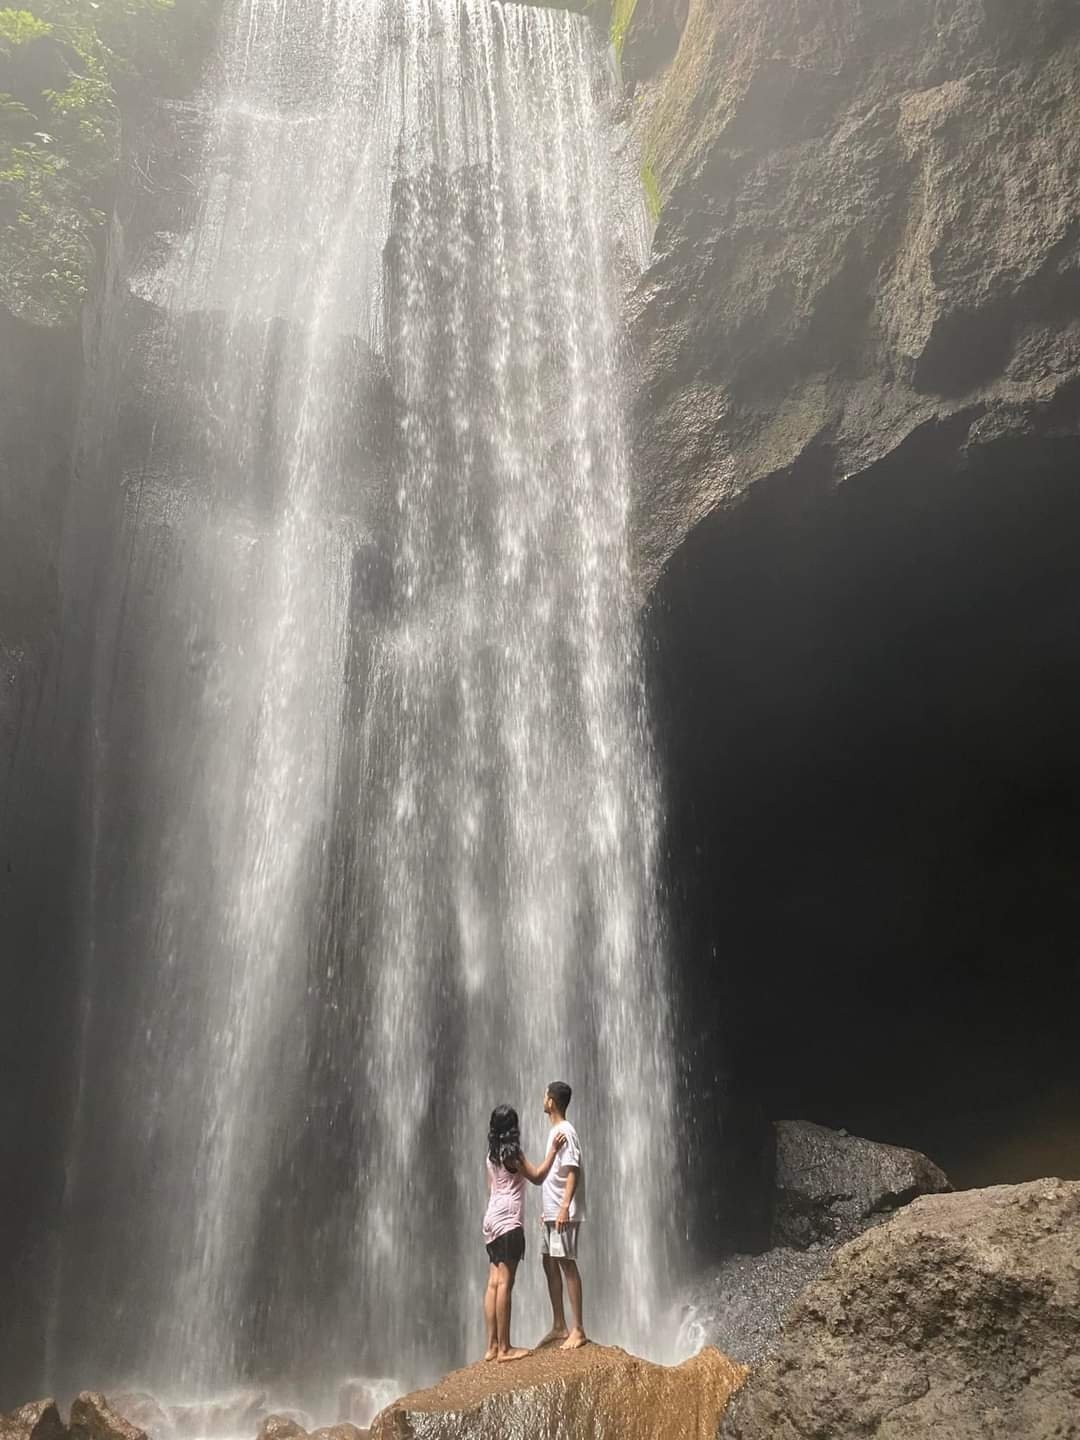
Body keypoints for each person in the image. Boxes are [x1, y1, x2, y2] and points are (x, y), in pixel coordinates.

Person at [483, 1103, 566, 1363]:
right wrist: (553, 1151)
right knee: (506, 1283)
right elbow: (538, 1176)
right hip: (509, 1222)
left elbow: (493, 1187)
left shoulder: (491, 1155)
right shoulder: (514, 1155)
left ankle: (492, 1347)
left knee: (493, 1282)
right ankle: (506, 1349)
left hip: (491, 1219)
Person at [538, 1080, 587, 1350]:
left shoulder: (565, 1132)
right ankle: (559, 1324)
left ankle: (578, 1329)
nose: (542, 1099)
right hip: (551, 1210)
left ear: (551, 1102)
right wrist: (546, 1209)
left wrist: (564, 1206)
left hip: (561, 1212)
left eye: (545, 1096)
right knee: (548, 1260)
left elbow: (573, 1170)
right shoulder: (555, 1131)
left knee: (566, 1263)